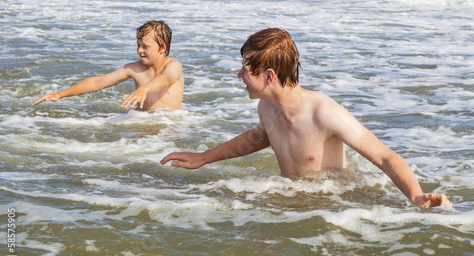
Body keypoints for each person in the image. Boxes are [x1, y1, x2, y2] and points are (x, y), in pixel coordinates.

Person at [161, 28, 449, 208]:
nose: (239, 75)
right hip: (294, 203)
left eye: (246, 69)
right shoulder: (267, 109)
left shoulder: (323, 112)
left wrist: (415, 196)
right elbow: (256, 138)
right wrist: (203, 157)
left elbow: (384, 157)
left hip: (334, 210)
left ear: (269, 76)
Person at [33, 21, 183, 111]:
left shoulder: (173, 65)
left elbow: (166, 79)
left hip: (168, 123)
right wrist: (59, 94)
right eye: (138, 45)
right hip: (141, 121)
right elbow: (98, 82)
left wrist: (144, 88)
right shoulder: (135, 68)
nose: (139, 50)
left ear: (162, 48)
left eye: (145, 46)